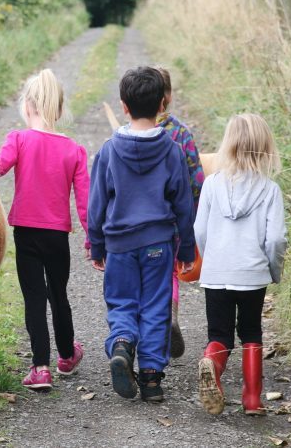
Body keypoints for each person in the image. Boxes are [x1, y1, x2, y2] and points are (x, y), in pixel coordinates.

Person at [88, 66, 196, 402]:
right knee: (155, 307)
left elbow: (97, 204)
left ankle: (121, 344)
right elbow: (183, 203)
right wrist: (187, 249)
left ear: (123, 106)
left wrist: (97, 244)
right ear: (162, 103)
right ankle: (151, 379)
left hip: (120, 245)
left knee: (122, 302)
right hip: (158, 245)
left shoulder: (108, 151)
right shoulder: (172, 151)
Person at [0, 69, 89, 391]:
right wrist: (92, 238)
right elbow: (85, 201)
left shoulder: (18, 139)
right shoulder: (74, 150)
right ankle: (66, 355)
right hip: (56, 235)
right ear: (59, 109)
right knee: (59, 295)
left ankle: (40, 367)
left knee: (34, 298)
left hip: (25, 231)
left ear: (27, 105)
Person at [193, 113, 286, 416]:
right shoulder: (270, 190)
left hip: (217, 272)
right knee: (250, 332)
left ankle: (212, 363)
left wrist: (212, 261)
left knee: (219, 334)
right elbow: (275, 240)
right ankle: (252, 400)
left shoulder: (211, 185)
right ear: (265, 147)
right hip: (252, 274)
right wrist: (273, 271)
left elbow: (200, 231)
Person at [154, 66, 205, 359]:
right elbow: (197, 180)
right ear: (169, 96)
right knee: (171, 273)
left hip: (141, 222)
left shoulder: (132, 133)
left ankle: (143, 327)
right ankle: (170, 318)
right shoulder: (181, 133)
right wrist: (194, 221)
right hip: (175, 220)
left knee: (144, 274)